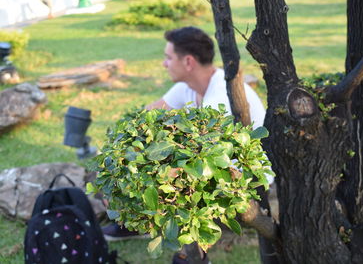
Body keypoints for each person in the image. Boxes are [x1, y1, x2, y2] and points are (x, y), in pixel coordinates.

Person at [102, 26, 266, 263]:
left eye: (168, 58)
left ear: (188, 62)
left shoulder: (220, 97)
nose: (163, 64)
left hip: (242, 178)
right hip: (208, 165)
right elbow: (145, 116)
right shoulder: (189, 86)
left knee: (160, 184)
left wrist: (130, 187)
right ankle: (135, 220)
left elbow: (206, 167)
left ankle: (188, 251)